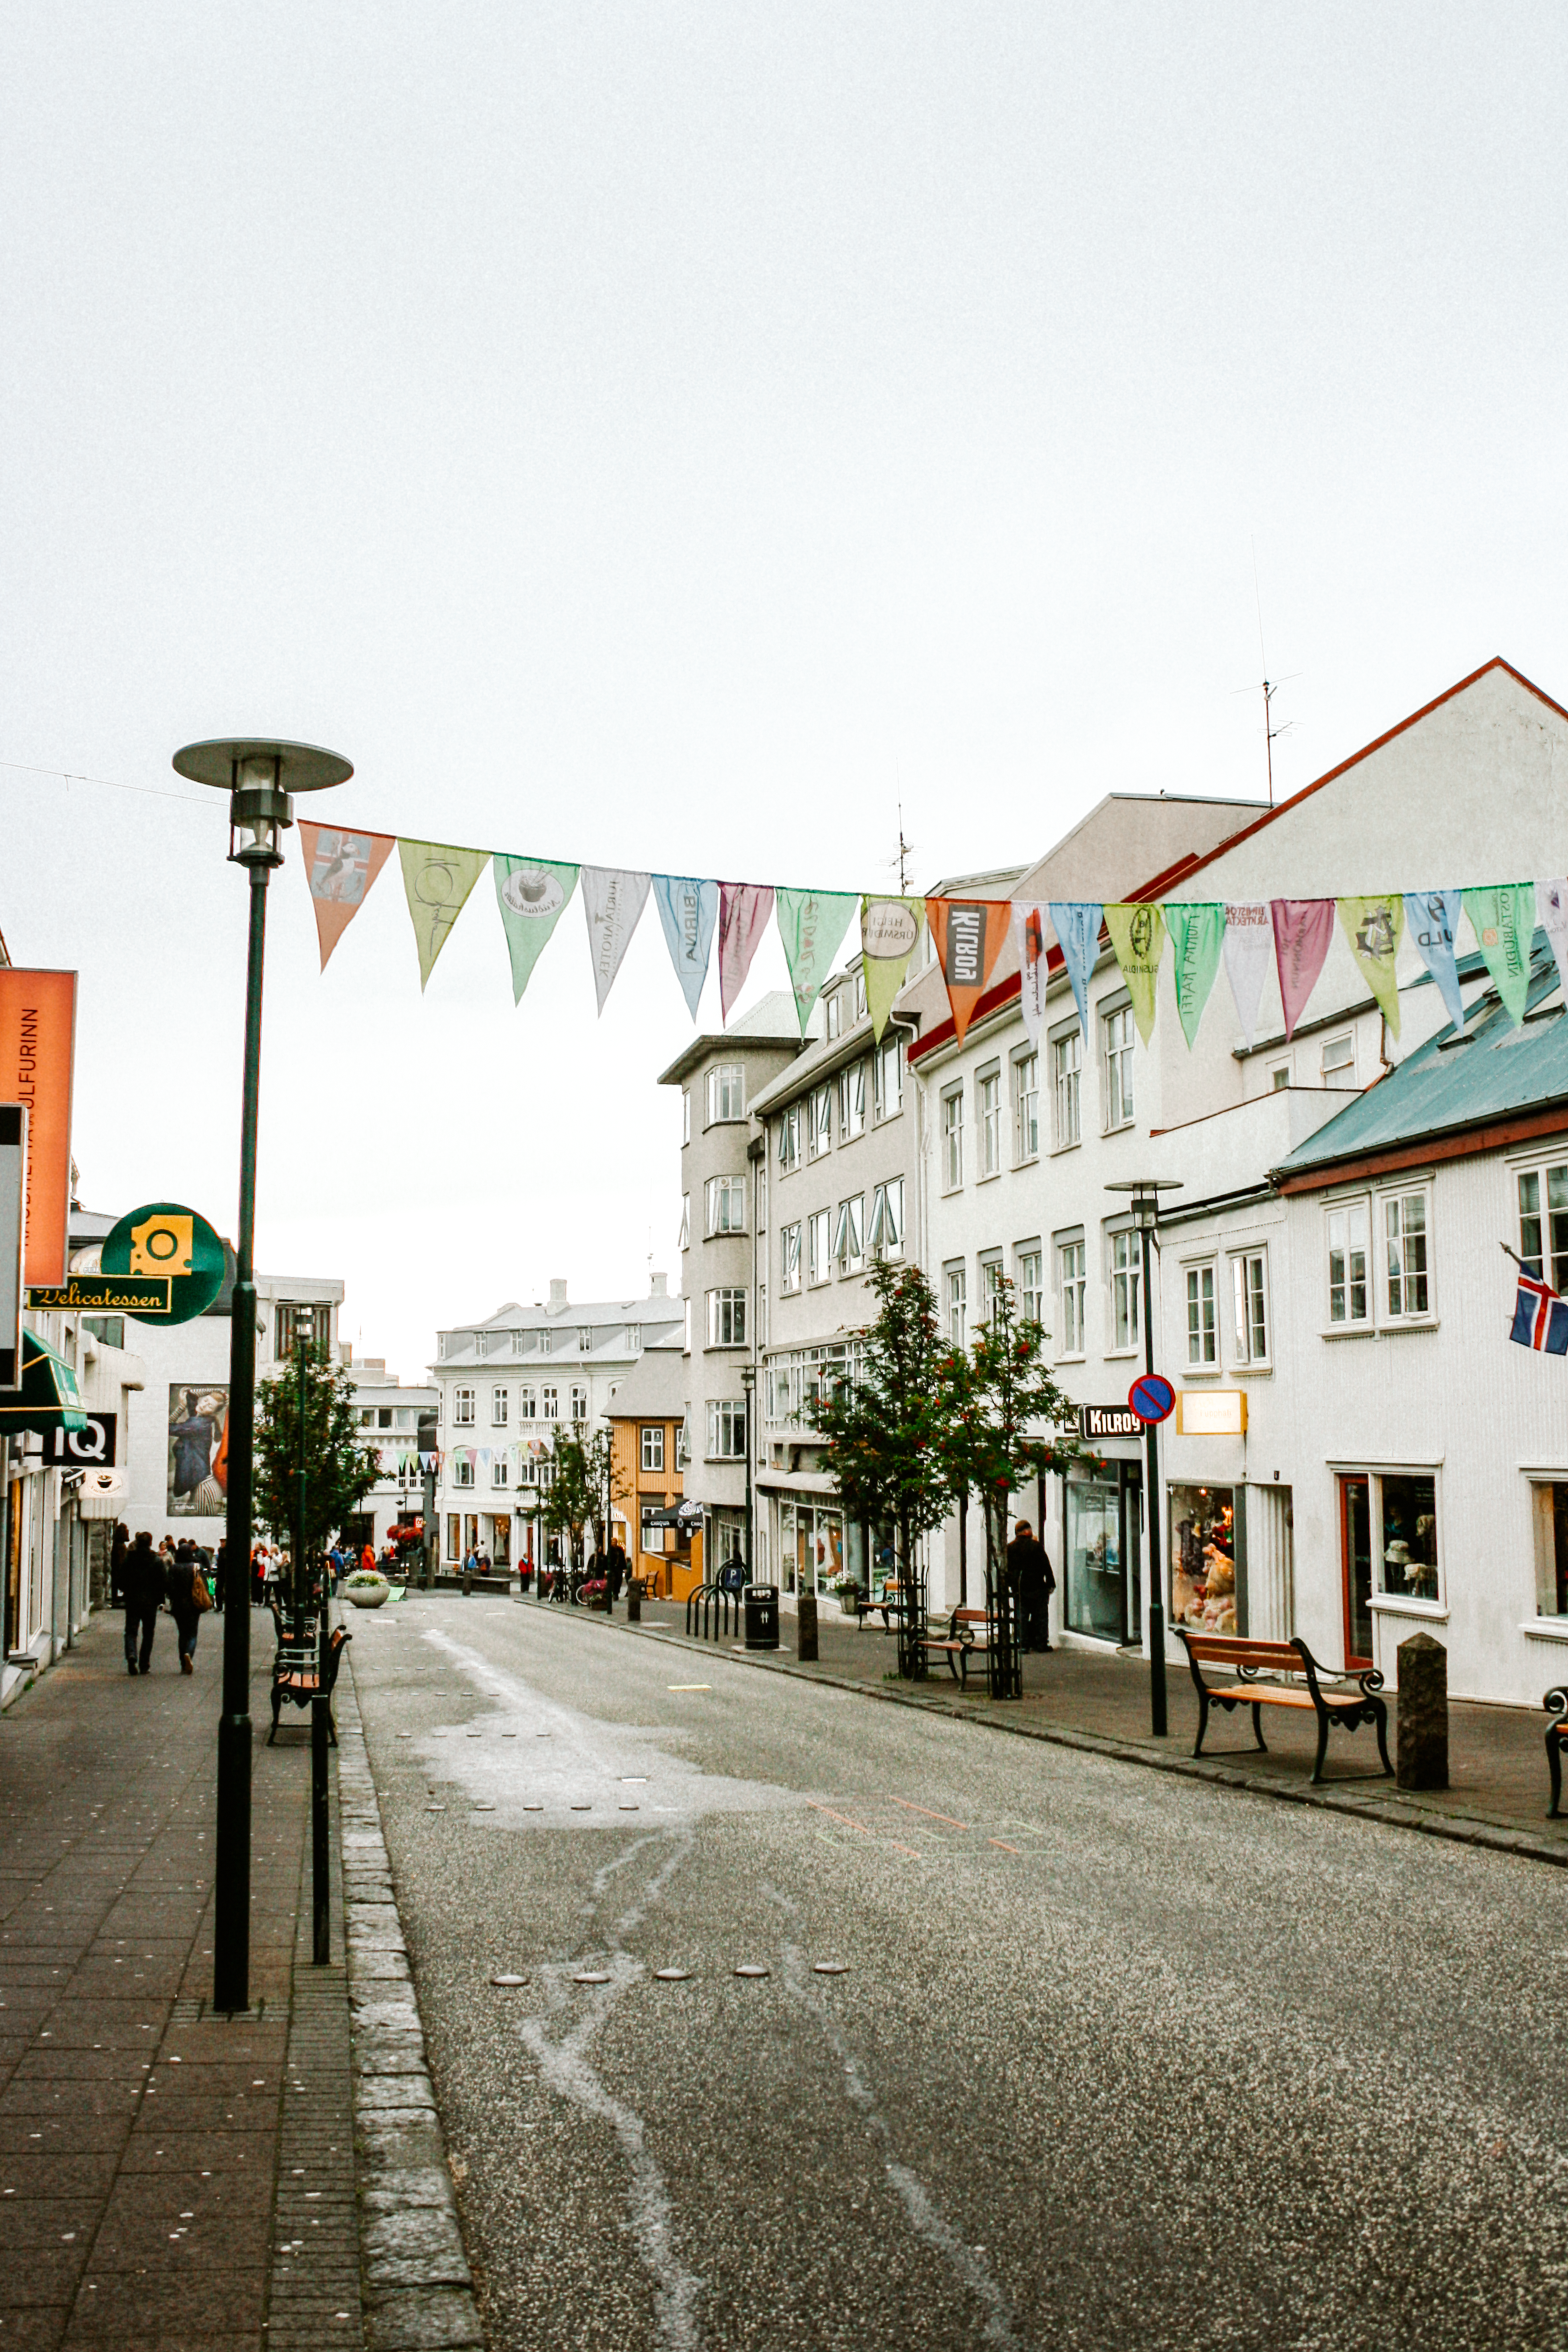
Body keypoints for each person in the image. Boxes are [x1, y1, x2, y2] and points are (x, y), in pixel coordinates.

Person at [1007, 1518, 1056, 1653]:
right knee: (1040, 1616)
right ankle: (1041, 1643)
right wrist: (1051, 1583)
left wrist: (1012, 1585)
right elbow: (1046, 1565)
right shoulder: (1036, 1546)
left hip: (1020, 1588)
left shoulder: (1010, 1548)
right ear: (1027, 1531)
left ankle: (1023, 1644)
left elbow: (1008, 1569)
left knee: (1021, 1616)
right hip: (1037, 1587)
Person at [122, 1531, 163, 1675]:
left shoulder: (130, 1559)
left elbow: (122, 1578)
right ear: (151, 1543)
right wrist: (160, 1599)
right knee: (148, 1633)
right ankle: (144, 1664)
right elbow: (163, 1582)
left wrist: (126, 1591)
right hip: (150, 1602)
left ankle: (131, 1654)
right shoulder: (156, 1561)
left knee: (131, 1631)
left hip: (133, 1600)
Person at [166, 1541, 203, 1675]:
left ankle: (183, 1663)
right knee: (193, 1633)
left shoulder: (174, 1568)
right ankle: (189, 1654)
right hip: (193, 1604)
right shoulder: (195, 1567)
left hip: (179, 1605)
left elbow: (169, 1587)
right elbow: (203, 1584)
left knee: (182, 1634)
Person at [109, 1522, 130, 1609]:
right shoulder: (120, 1546)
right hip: (119, 1570)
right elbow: (121, 1561)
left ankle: (116, 1599)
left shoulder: (118, 1545)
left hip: (118, 1569)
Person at [604, 1536, 628, 1606]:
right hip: (613, 1568)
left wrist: (625, 1568)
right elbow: (608, 1559)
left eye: (615, 1542)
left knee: (619, 1580)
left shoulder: (620, 1550)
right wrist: (608, 1568)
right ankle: (615, 1594)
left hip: (619, 1568)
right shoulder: (610, 1550)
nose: (614, 1543)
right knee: (614, 1581)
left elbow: (623, 1559)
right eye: (613, 1542)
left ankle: (617, 1592)